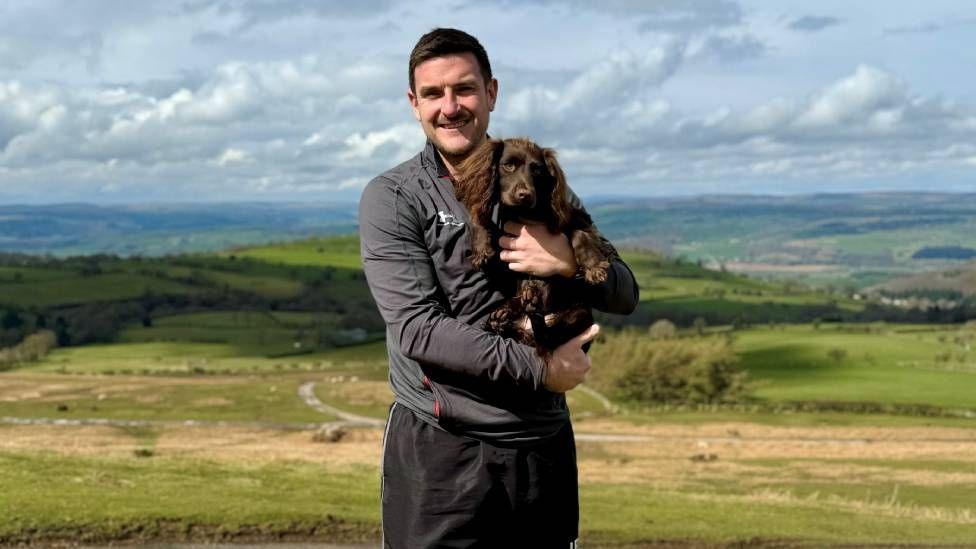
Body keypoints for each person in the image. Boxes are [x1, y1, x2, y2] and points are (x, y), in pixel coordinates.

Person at [359, 28, 638, 548]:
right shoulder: (395, 196)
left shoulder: (535, 175)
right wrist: (542, 370)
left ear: (491, 92)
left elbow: (623, 292)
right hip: (442, 453)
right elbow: (418, 332)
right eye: (434, 94)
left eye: (464, 89)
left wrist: (565, 263)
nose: (451, 107)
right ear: (413, 103)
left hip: (541, 447)